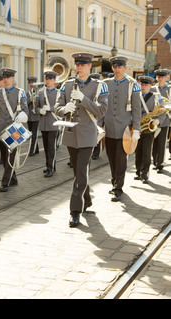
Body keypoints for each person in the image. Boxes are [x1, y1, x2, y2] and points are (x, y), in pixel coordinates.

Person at [55, 52, 108, 227]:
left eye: (83, 65)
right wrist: (63, 109)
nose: (79, 68)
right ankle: (87, 200)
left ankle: (75, 211)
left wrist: (84, 99)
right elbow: (57, 106)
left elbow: (101, 111)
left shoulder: (100, 86)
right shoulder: (67, 85)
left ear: (89, 66)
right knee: (79, 173)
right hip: (71, 135)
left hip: (88, 135)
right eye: (77, 65)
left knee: (81, 171)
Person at [103, 56, 141, 201]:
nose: (117, 70)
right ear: (112, 68)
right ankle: (114, 182)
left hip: (124, 130)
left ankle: (118, 187)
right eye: (115, 67)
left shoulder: (133, 85)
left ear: (125, 68)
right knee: (111, 158)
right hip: (108, 129)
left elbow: (136, 110)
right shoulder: (106, 84)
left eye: (120, 67)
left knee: (120, 159)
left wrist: (136, 129)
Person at [0, 68, 29, 192]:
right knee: (4, 155)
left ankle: (5, 182)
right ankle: (13, 178)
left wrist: (21, 116)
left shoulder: (20, 92)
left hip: (14, 129)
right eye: (4, 77)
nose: (5, 80)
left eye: (8, 77)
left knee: (11, 156)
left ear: (13, 78)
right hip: (0, 128)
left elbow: (25, 110)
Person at [135, 76, 165, 184]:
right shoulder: (136, 95)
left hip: (149, 129)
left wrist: (158, 120)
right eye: (142, 84)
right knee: (137, 151)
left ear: (150, 86)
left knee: (146, 152)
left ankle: (145, 173)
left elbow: (163, 110)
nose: (143, 87)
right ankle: (138, 172)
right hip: (137, 128)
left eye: (146, 85)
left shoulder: (156, 96)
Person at [35, 71, 59, 178]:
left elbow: (62, 108)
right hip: (43, 124)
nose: (48, 81)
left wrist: (51, 108)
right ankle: (50, 165)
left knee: (51, 147)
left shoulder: (58, 93)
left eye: (50, 79)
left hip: (53, 123)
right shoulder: (40, 93)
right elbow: (35, 108)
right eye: (47, 79)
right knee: (45, 146)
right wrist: (40, 110)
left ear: (54, 80)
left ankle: (50, 168)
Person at [151, 69, 170, 173]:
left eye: (162, 77)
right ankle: (154, 161)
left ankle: (160, 164)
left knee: (161, 143)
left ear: (166, 77)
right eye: (158, 77)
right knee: (154, 142)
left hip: (165, 120)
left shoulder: (169, 89)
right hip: (153, 120)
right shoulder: (153, 89)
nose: (160, 79)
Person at [27, 76, 40, 156]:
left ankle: (32, 150)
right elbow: (25, 103)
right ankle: (37, 149)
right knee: (31, 133)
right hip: (29, 117)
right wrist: (30, 99)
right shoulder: (27, 93)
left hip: (36, 116)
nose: (31, 84)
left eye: (33, 82)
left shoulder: (39, 92)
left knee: (34, 134)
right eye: (30, 83)